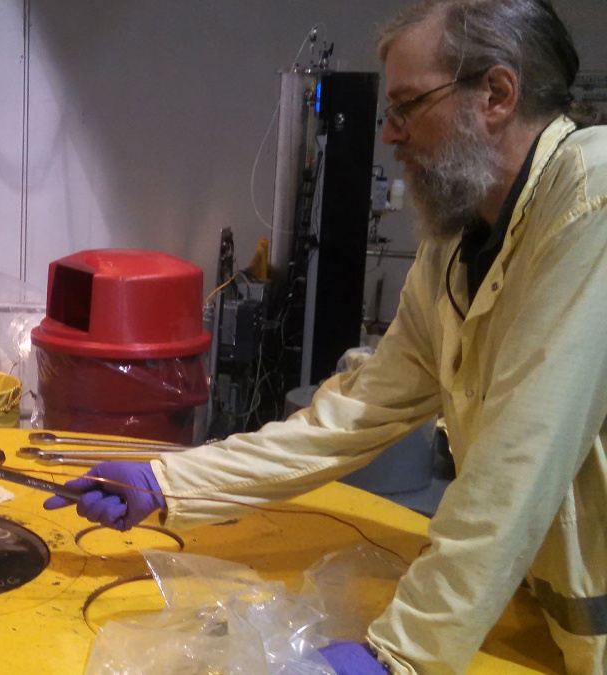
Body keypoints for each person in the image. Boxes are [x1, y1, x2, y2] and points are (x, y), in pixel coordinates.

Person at [44, 1, 607, 672]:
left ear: (496, 94)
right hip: (533, 615)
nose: (391, 135)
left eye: (407, 106)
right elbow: (347, 418)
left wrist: (398, 653)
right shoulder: (455, 247)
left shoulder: (591, 198)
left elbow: (520, 457)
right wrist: (171, 482)